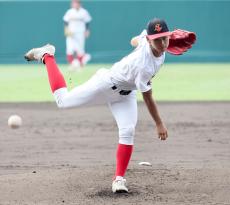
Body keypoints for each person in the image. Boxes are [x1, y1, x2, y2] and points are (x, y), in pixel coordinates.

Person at [25, 18, 170, 193]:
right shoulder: (144, 65)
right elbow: (148, 98)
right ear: (149, 39)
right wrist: (159, 123)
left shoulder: (149, 40)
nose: (162, 43)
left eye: (165, 38)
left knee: (127, 131)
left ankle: (118, 180)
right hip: (106, 84)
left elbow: (134, 40)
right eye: (157, 39)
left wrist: (141, 41)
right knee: (63, 102)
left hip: (126, 94)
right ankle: (47, 55)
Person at [63, 0, 92, 69]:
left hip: (80, 33)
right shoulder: (70, 12)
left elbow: (87, 22)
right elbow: (65, 22)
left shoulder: (84, 12)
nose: (75, 4)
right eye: (74, 3)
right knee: (69, 49)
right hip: (71, 33)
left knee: (80, 50)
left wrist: (87, 30)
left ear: (80, 4)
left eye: (76, 3)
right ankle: (72, 65)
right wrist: (66, 29)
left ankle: (80, 65)